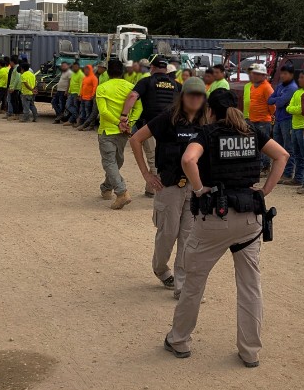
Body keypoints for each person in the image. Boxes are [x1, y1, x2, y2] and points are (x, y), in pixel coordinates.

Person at [164, 88, 289, 367]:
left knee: (194, 283)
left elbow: (188, 160)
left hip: (214, 218)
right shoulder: (253, 132)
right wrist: (264, 191)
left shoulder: (207, 135)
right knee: (250, 286)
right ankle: (250, 351)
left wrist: (198, 189)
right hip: (249, 220)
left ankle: (179, 340)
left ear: (211, 111)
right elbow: (282, 156)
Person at [130, 77, 208, 296]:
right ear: (183, 97)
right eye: (191, 94)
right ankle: (161, 269)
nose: (195, 99)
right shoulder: (167, 119)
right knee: (167, 234)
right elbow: (136, 139)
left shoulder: (205, 123)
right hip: (170, 188)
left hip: (194, 189)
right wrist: (147, 174)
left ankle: (181, 285)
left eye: (199, 95)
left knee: (188, 237)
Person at [120, 57, 181, 196]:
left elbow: (132, 96)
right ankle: (155, 187)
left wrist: (124, 115)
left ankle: (155, 188)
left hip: (152, 125)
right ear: (165, 69)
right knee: (170, 156)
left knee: (153, 157)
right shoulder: (176, 85)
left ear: (152, 68)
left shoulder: (146, 81)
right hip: (173, 126)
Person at [95, 59, 143, 210]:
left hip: (108, 130)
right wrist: (129, 123)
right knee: (117, 162)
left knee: (110, 163)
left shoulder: (102, 88)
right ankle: (106, 188)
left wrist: (117, 123)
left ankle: (121, 192)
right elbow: (139, 108)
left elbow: (103, 111)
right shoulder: (131, 88)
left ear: (108, 72)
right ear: (122, 72)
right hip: (124, 132)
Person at [268, 63, 298, 183]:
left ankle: (288, 173)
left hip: (287, 120)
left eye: (285, 74)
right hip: (279, 119)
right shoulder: (280, 86)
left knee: (288, 147)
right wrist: (278, 100)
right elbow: (269, 100)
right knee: (277, 147)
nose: (282, 76)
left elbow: (279, 103)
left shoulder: (292, 88)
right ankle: (279, 172)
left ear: (291, 75)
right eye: (281, 73)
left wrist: (278, 100)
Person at [243, 64, 275, 172]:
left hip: (263, 120)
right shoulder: (253, 86)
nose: (255, 76)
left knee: (263, 145)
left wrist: (269, 115)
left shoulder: (267, 87)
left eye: (258, 74)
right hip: (253, 119)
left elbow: (272, 105)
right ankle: (260, 166)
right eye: (254, 73)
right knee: (256, 144)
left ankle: (265, 167)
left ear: (263, 76)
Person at [284, 69, 304, 186]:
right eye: (299, 77)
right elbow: (288, 107)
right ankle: (298, 178)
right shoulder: (297, 92)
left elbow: (301, 109)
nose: (299, 79)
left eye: (302, 77)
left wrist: (292, 109)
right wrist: (292, 109)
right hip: (294, 127)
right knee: (297, 155)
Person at [78, 61, 109, 131]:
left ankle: (86, 125)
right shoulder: (100, 76)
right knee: (94, 112)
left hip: (104, 97)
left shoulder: (107, 75)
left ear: (103, 68)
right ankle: (89, 125)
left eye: (99, 68)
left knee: (95, 112)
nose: (98, 69)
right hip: (98, 96)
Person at [64, 62, 84, 126]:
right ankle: (76, 118)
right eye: (73, 67)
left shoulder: (81, 74)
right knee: (68, 105)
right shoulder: (73, 74)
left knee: (75, 107)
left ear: (78, 67)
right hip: (72, 93)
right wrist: (68, 91)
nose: (74, 68)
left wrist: (79, 94)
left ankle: (72, 120)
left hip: (76, 93)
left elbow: (81, 85)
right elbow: (71, 82)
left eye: (75, 67)